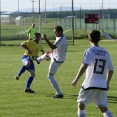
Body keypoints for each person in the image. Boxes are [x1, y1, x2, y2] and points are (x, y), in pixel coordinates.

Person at [71, 30, 114, 117]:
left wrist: (76, 79)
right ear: (99, 39)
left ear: (89, 39)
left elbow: (84, 65)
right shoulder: (106, 53)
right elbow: (111, 70)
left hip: (90, 84)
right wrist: (107, 83)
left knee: (81, 105)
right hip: (102, 85)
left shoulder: (89, 51)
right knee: (103, 109)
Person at [34, 26, 67, 98]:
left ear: (60, 32)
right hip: (57, 56)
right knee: (47, 54)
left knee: (50, 76)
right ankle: (38, 59)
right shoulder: (60, 37)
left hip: (57, 60)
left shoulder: (61, 38)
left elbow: (53, 46)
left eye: (56, 32)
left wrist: (45, 39)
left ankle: (59, 93)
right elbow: (56, 48)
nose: (54, 33)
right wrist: (52, 51)